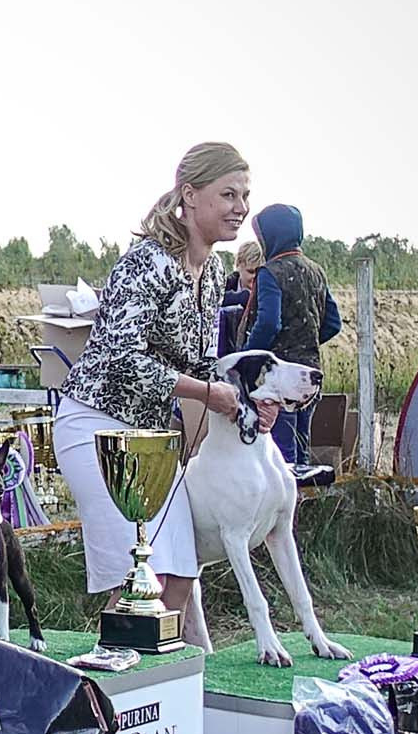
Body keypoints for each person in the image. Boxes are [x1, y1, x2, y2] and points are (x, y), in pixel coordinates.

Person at [53, 142, 277, 617]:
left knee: (178, 577)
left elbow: (201, 366)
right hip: (96, 429)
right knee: (139, 584)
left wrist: (247, 402)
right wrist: (205, 394)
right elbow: (121, 356)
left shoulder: (215, 273)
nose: (241, 209)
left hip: (153, 442)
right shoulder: (147, 262)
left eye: (245, 197)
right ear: (190, 195)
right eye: (228, 195)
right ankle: (104, 689)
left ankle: (151, 688)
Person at [246, 204, 343, 471]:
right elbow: (333, 323)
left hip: (280, 376)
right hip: (311, 372)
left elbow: (267, 324)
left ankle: (287, 511)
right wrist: (306, 342)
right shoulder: (316, 271)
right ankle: (303, 507)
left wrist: (247, 357)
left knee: (279, 454)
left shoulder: (270, 272)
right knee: (301, 450)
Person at [220, 239, 262, 354]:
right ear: (238, 265)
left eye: (260, 273)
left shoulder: (268, 294)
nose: (256, 277)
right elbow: (210, 300)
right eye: (251, 271)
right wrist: (241, 297)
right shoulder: (222, 286)